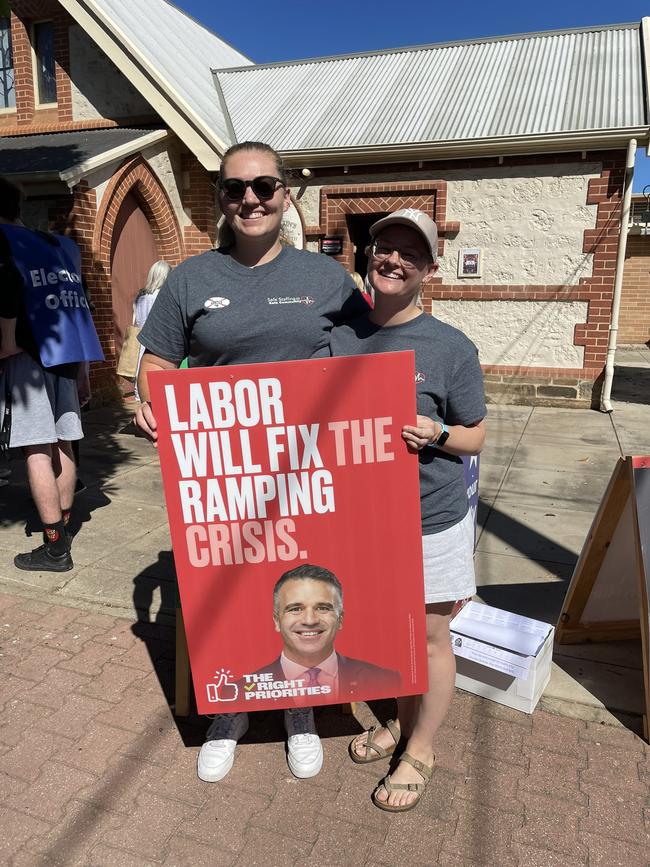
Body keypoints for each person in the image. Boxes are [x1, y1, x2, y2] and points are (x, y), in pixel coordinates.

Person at [133, 141, 367, 784]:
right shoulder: (191, 279)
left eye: (264, 186)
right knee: (228, 589)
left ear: (285, 194)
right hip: (226, 471)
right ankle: (230, 710)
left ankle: (300, 710)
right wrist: (148, 399)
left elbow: (369, 363)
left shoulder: (325, 279)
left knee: (303, 588)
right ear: (222, 200)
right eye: (236, 189)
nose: (251, 199)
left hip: (311, 470)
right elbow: (155, 361)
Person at [330, 208, 486, 812]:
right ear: (369, 255)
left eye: (410, 253)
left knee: (430, 636)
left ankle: (421, 747)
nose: (394, 260)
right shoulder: (341, 334)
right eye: (384, 248)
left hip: (430, 516)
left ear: (430, 268)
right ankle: (398, 722)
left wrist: (437, 433)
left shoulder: (451, 347)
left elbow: (476, 434)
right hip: (364, 518)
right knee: (392, 637)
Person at [0, 176, 103, 572]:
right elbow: (81, 303)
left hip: (28, 358)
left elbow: (6, 288)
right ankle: (62, 526)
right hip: (66, 353)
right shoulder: (58, 245)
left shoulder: (3, 241)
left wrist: (8, 340)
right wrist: (84, 370)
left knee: (35, 448)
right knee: (63, 441)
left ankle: (55, 548)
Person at [245, 564, 401, 709]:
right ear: (277, 621)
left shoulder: (384, 678)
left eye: (322, 608)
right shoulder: (240, 689)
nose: (310, 620)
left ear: (340, 619)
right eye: (295, 609)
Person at [132, 260, 170, 400]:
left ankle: (139, 395)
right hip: (158, 339)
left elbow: (135, 320)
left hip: (141, 338)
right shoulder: (163, 296)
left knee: (140, 369)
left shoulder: (140, 296)